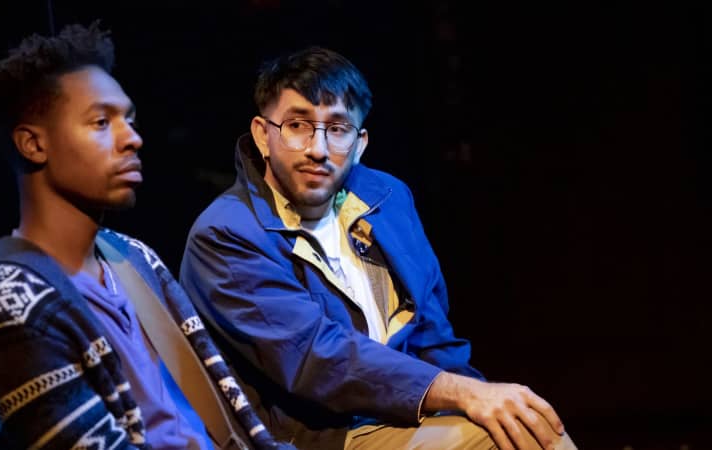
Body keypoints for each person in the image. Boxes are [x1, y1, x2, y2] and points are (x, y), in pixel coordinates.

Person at [179, 46, 577, 450]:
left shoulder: (385, 198)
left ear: (359, 143)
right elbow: (317, 359)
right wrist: (459, 393)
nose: (317, 148)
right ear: (264, 135)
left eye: (336, 129)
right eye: (298, 125)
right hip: (316, 434)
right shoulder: (227, 233)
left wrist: (485, 398)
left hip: (404, 413)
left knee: (527, 427)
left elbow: (433, 335)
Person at [0, 22, 290, 450]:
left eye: (128, 119)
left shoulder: (132, 257)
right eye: (100, 122)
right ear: (33, 144)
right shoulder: (6, 312)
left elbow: (226, 418)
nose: (132, 138)